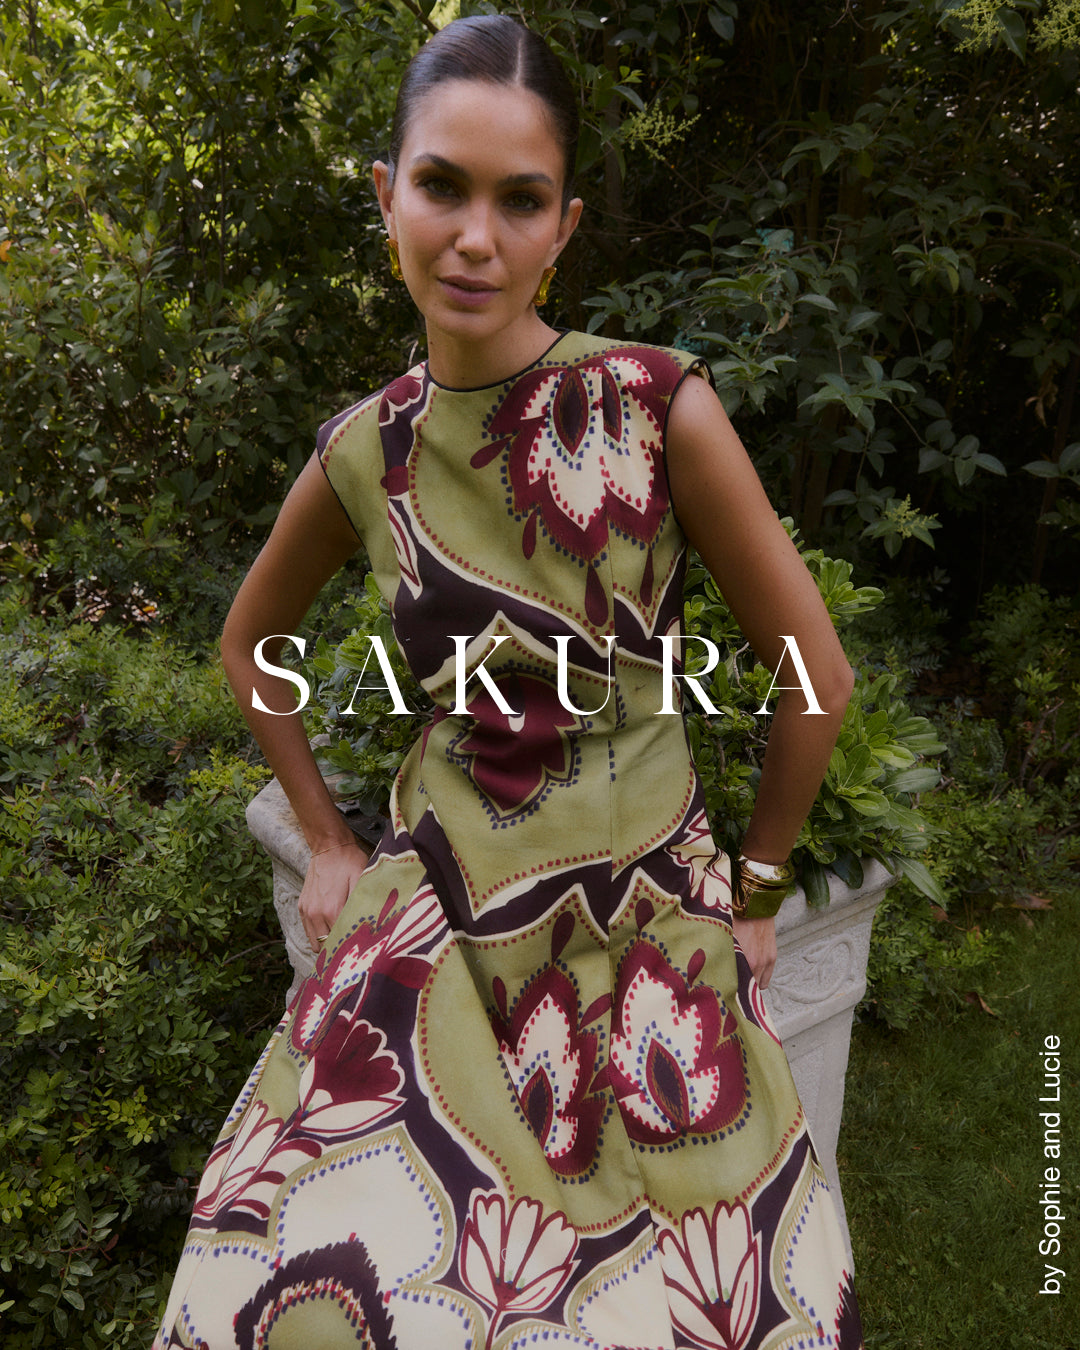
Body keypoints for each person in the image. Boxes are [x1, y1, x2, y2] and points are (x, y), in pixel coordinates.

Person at [154, 15, 863, 1349]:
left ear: (562, 228)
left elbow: (814, 674)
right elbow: (249, 642)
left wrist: (758, 891)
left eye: (519, 199)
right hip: (440, 911)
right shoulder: (366, 450)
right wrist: (326, 840)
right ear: (388, 195)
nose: (475, 235)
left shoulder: (656, 407)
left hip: (639, 914)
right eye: (442, 185)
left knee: (707, 1303)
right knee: (308, 1283)